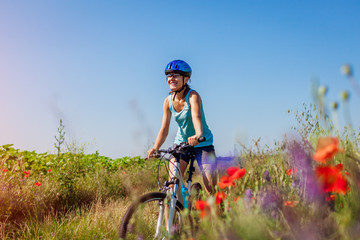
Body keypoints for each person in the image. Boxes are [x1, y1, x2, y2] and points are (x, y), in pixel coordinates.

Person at [147, 59, 217, 195]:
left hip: (203, 142)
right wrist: (155, 147)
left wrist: (198, 135)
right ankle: (179, 210)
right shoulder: (168, 101)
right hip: (182, 144)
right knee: (172, 185)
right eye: (169, 75)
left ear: (186, 79)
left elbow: (196, 117)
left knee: (211, 187)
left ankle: (218, 214)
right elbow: (164, 128)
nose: (171, 78)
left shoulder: (193, 96)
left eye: (175, 75)